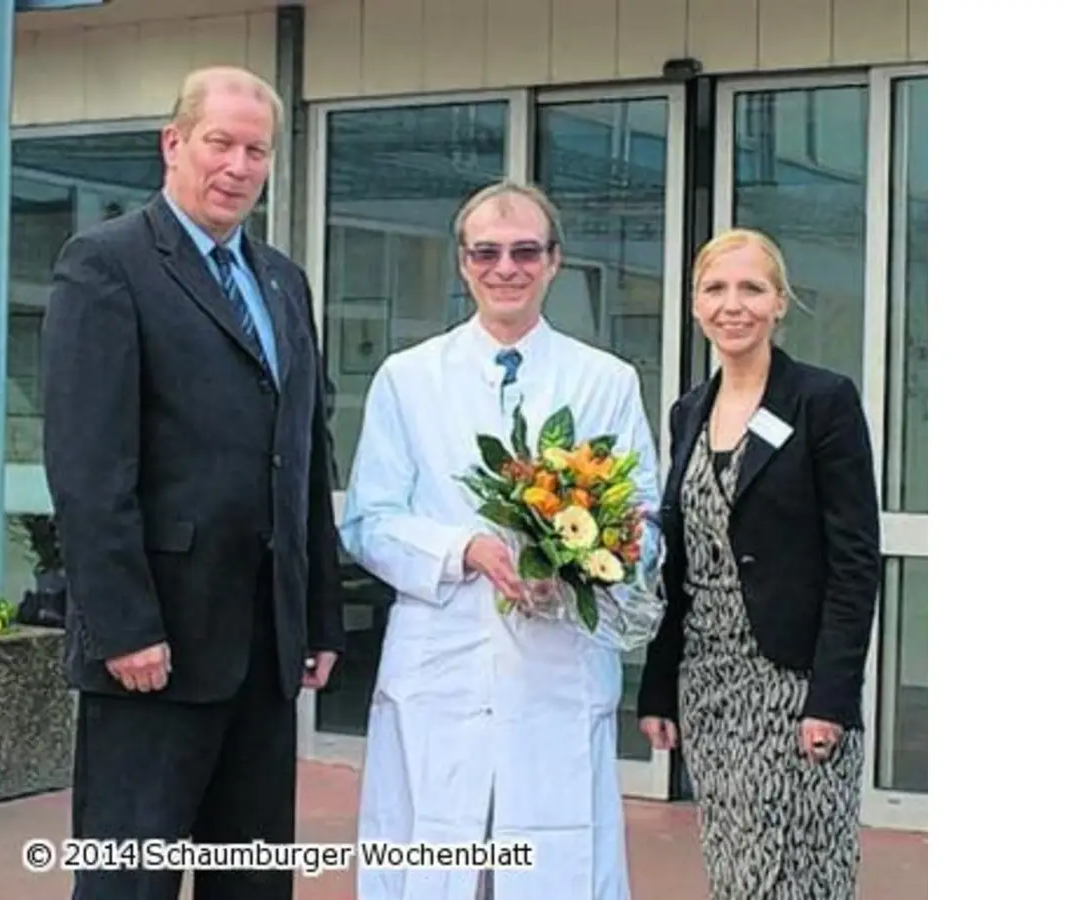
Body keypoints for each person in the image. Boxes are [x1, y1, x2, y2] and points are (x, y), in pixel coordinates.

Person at [40, 65, 345, 900]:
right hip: (155, 651)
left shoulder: (284, 283)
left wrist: (318, 612)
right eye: (221, 143)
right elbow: (88, 466)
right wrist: (123, 626)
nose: (239, 165)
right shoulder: (105, 265)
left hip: (264, 647)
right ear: (174, 143)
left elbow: (305, 458)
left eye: (257, 150)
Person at [338, 181, 664, 900]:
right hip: (441, 667)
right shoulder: (409, 377)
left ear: (554, 262)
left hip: (556, 666)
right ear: (462, 264)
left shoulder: (605, 380)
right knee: (433, 849)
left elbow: (643, 518)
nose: (504, 268)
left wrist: (583, 563)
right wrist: (464, 551)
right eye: (486, 252)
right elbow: (370, 520)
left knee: (554, 863)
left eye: (524, 252)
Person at [635, 228, 881, 899]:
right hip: (710, 685)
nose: (732, 304)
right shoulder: (689, 411)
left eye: (752, 288)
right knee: (736, 866)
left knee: (803, 871)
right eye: (716, 289)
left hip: (795, 686)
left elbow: (855, 560)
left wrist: (832, 697)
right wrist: (658, 687)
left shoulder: (822, 401)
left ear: (779, 303)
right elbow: (679, 565)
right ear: (694, 305)